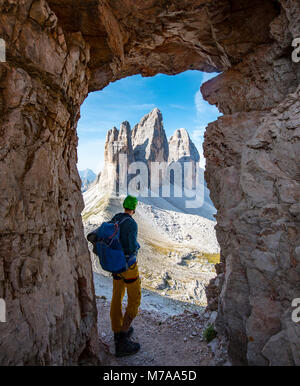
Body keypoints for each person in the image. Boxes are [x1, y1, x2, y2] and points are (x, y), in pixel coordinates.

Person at [109, 195, 141, 357]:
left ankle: (117, 331)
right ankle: (123, 337)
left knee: (117, 296)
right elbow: (131, 247)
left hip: (115, 266)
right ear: (133, 209)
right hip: (128, 267)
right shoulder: (131, 223)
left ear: (124, 206)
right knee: (134, 299)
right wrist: (137, 247)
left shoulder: (116, 218)